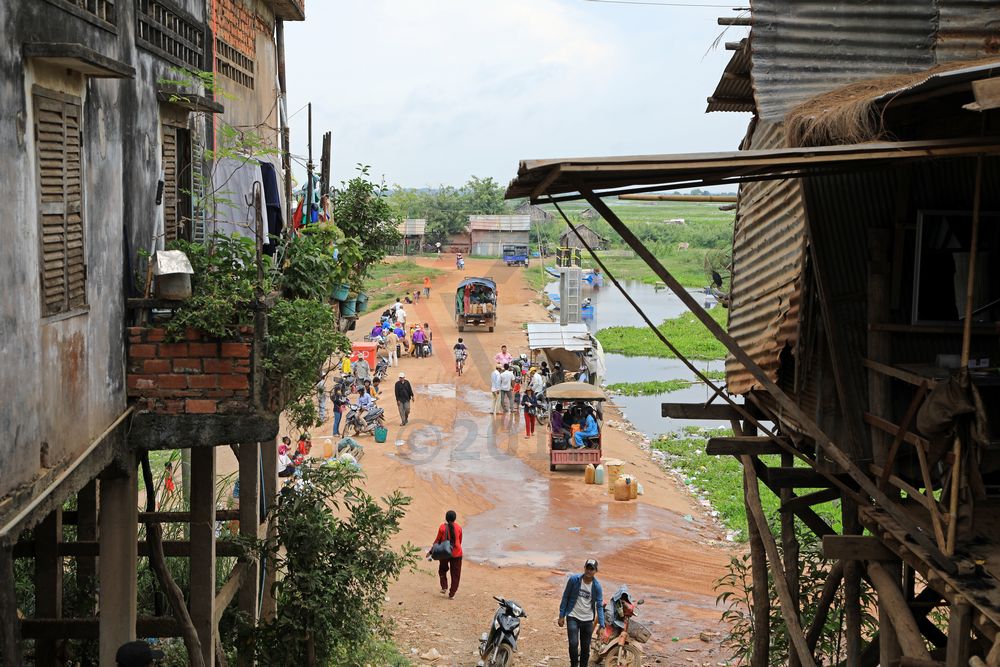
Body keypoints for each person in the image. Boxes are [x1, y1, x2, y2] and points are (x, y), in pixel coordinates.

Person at [558, 559, 605, 667]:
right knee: (573, 643)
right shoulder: (574, 580)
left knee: (585, 648)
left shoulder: (596, 586)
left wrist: (602, 625)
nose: (589, 571)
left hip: (588, 620)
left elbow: (599, 605)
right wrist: (561, 615)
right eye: (587, 568)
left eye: (591, 569)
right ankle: (574, 665)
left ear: (595, 571)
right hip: (573, 616)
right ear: (584, 568)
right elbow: (566, 597)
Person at [427, 510, 463, 599]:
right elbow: (460, 541)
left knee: (442, 570)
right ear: (455, 518)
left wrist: (431, 552)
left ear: (446, 518)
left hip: (444, 553)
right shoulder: (458, 527)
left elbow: (437, 541)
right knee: (455, 575)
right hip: (457, 553)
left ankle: (444, 587)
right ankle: (452, 593)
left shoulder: (442, 527)